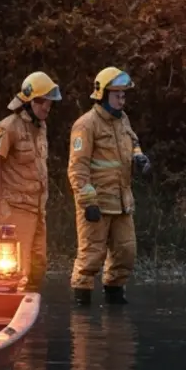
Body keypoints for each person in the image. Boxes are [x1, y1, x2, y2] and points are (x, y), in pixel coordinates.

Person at [69, 67, 150, 306]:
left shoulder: (123, 120)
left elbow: (133, 143)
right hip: (97, 203)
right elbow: (77, 167)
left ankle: (114, 297)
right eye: (117, 95)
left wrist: (140, 158)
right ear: (103, 94)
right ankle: (81, 305)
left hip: (122, 201)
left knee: (126, 253)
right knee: (91, 257)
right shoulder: (86, 125)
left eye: (124, 95)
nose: (122, 100)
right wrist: (88, 202)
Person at [0, 72, 60, 291]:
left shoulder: (41, 128)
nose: (47, 107)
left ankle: (31, 312)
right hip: (14, 209)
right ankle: (7, 312)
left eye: (49, 102)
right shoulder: (7, 127)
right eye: (43, 101)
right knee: (14, 270)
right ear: (30, 101)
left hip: (37, 210)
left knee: (38, 267)